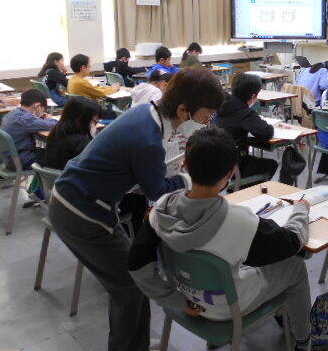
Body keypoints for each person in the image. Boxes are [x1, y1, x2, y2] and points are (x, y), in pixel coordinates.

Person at [48, 67, 225, 351]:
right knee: (130, 286)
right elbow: (156, 190)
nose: (207, 122)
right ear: (183, 110)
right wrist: (188, 179)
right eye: (206, 116)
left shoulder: (145, 113)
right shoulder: (148, 139)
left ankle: (134, 343)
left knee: (129, 285)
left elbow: (138, 173)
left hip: (78, 201)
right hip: (81, 213)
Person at [128, 127, 312, 351]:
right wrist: (301, 209)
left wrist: (174, 300)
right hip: (226, 307)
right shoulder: (239, 223)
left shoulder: (160, 210)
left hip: (187, 297)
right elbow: (293, 242)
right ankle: (304, 340)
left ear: (185, 165)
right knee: (295, 267)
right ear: (231, 173)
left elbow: (136, 264)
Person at [216, 73, 278, 183]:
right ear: (253, 97)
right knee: (272, 164)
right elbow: (267, 132)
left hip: (217, 163)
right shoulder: (245, 113)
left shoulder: (221, 103)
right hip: (234, 168)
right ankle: (244, 189)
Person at [0, 89, 56, 171]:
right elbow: (53, 124)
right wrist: (49, 118)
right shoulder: (25, 119)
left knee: (47, 151)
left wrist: (38, 119)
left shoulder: (13, 113)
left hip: (9, 158)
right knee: (57, 158)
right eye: (43, 109)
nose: (43, 112)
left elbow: (31, 122)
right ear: (37, 105)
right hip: (22, 161)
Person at [45, 96, 101, 170]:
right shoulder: (81, 143)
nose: (95, 125)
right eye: (94, 121)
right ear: (80, 119)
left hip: (53, 176)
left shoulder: (55, 133)